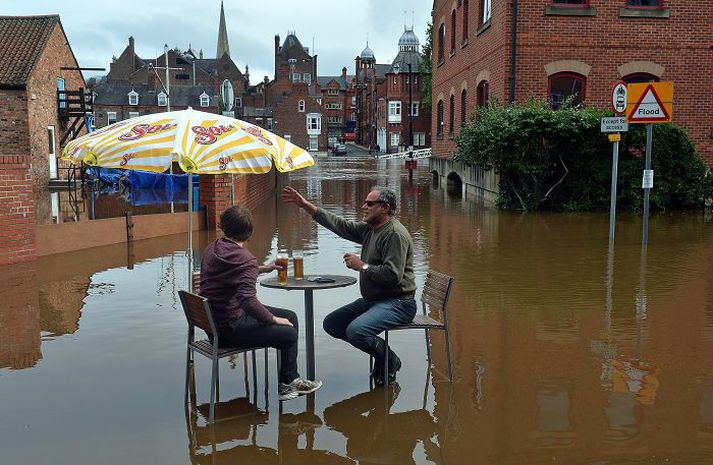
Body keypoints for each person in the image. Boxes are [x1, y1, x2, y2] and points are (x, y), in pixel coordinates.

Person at [281, 185, 416, 385]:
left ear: (384, 208)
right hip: (374, 301)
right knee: (332, 324)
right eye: (365, 203)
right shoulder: (370, 229)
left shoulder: (394, 234)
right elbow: (341, 226)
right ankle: (383, 357)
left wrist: (362, 266)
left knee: (356, 331)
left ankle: (388, 358)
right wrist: (304, 205)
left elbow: (392, 276)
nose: (364, 207)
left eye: (369, 204)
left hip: (398, 303)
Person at [200, 205, 322, 401]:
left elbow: (230, 273)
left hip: (214, 324)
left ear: (223, 227)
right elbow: (247, 301)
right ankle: (288, 385)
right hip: (228, 331)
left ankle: (289, 380)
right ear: (249, 234)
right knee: (289, 332)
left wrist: (263, 269)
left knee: (290, 316)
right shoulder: (244, 259)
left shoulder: (213, 248)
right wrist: (273, 319)